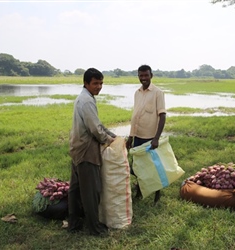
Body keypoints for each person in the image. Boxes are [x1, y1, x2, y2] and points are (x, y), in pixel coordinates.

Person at [68, 68, 116, 236]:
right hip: (86, 150)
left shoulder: (84, 97)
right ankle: (94, 228)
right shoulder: (87, 101)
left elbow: (97, 123)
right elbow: (95, 129)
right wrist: (111, 141)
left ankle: (73, 223)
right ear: (86, 83)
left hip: (76, 148)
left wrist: (112, 134)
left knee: (74, 189)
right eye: (95, 83)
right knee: (90, 191)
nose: (99, 87)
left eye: (101, 83)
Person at [126, 64, 166, 204]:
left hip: (150, 138)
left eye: (146, 75)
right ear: (138, 76)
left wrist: (156, 138)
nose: (143, 78)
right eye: (141, 75)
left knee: (153, 166)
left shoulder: (157, 93)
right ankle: (140, 190)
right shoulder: (137, 93)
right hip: (138, 135)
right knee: (137, 166)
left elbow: (162, 116)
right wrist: (130, 136)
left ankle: (157, 193)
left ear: (151, 76)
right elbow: (135, 115)